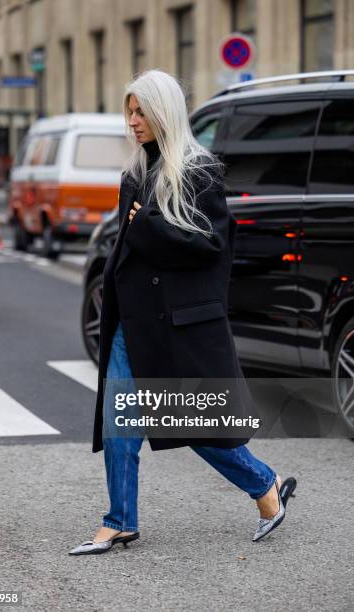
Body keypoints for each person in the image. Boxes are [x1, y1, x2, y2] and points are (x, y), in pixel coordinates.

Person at [69, 70, 297, 556]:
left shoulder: (200, 171)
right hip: (132, 323)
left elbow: (210, 246)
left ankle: (265, 487)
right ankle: (119, 520)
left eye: (140, 111)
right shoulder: (134, 174)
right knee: (119, 425)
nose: (132, 121)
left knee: (194, 425)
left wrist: (148, 223)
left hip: (176, 327)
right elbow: (127, 248)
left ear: (163, 112)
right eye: (128, 111)